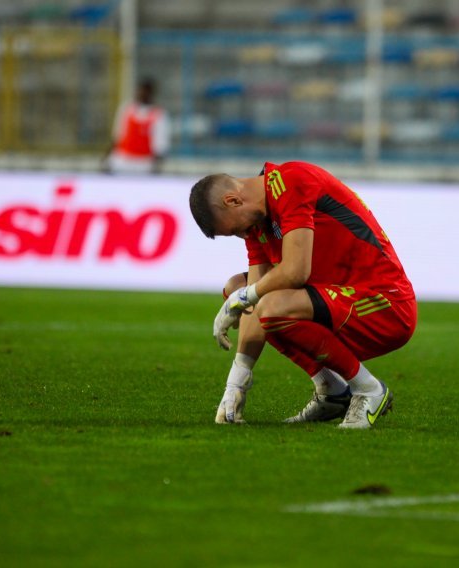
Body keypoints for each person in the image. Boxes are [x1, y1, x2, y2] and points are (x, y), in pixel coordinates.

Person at [189, 161, 417, 429]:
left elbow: (295, 272)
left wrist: (243, 298)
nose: (242, 235)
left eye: (234, 230)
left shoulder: (292, 181)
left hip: (384, 303)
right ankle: (331, 390)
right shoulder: (257, 223)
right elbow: (254, 295)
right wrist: (237, 380)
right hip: (336, 300)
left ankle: (368, 390)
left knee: (269, 303)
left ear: (233, 200)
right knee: (239, 289)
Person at [103, 78, 171, 175]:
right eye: (141, 90)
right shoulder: (126, 109)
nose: (142, 94)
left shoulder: (159, 115)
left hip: (144, 165)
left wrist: (157, 166)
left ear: (151, 93)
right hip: (122, 161)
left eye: (146, 91)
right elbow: (117, 136)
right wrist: (106, 159)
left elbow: (160, 146)